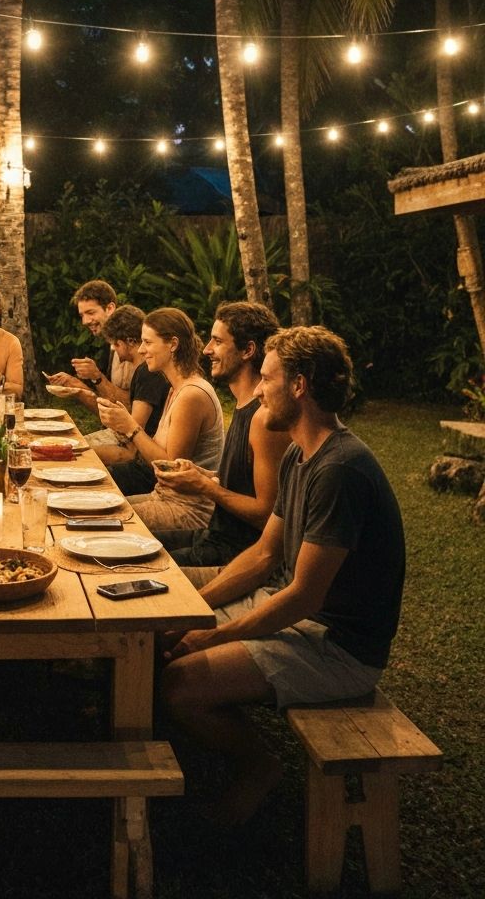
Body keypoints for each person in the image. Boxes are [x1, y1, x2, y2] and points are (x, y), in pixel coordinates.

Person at [161, 325, 406, 824]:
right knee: (161, 629)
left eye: (267, 379)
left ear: (300, 385)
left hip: (338, 646)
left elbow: (303, 598)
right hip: (297, 613)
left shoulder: (341, 470)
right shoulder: (299, 451)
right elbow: (264, 555)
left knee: (178, 683)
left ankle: (257, 768)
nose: (257, 390)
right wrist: (195, 610)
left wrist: (208, 638)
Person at [152, 302, 291, 570]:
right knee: (130, 541)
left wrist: (206, 487)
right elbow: (242, 485)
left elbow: (266, 513)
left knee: (128, 569)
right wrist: (201, 474)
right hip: (212, 537)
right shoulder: (242, 406)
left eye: (217, 341)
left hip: (233, 555)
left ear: (248, 350)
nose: (206, 350)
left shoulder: (262, 419)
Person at [97, 307, 224, 533]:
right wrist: (123, 426)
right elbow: (151, 454)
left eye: (147, 342)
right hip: (163, 497)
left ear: (173, 345)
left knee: (102, 522)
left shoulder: (191, 395)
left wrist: (131, 428)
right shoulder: (176, 389)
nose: (142, 350)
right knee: (94, 510)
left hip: (187, 509)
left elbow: (171, 468)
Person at [86, 304, 170, 496]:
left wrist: (88, 454)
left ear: (130, 341)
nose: (114, 350)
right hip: (138, 450)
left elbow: (131, 436)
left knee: (82, 459)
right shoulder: (143, 371)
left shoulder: (149, 373)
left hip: (144, 462)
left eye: (116, 344)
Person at [46, 280, 134, 407]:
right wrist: (74, 384)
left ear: (110, 308)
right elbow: (107, 408)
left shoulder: (131, 344)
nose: (85, 321)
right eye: (82, 315)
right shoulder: (109, 345)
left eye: (90, 313)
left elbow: (130, 407)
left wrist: (97, 377)